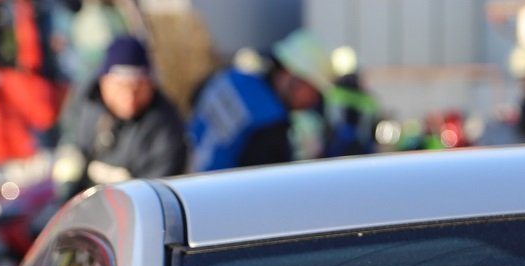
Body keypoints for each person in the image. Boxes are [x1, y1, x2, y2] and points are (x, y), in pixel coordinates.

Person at [52, 34, 187, 199]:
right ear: (104, 82)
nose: (129, 96)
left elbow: (157, 197)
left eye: (138, 85)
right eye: (121, 84)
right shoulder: (86, 102)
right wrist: (68, 165)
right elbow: (69, 137)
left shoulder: (166, 129)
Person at [186, 28, 334, 172]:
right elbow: (265, 188)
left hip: (186, 181)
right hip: (215, 192)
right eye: (314, 91)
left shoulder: (229, 78)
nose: (313, 101)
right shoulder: (270, 124)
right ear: (294, 78)